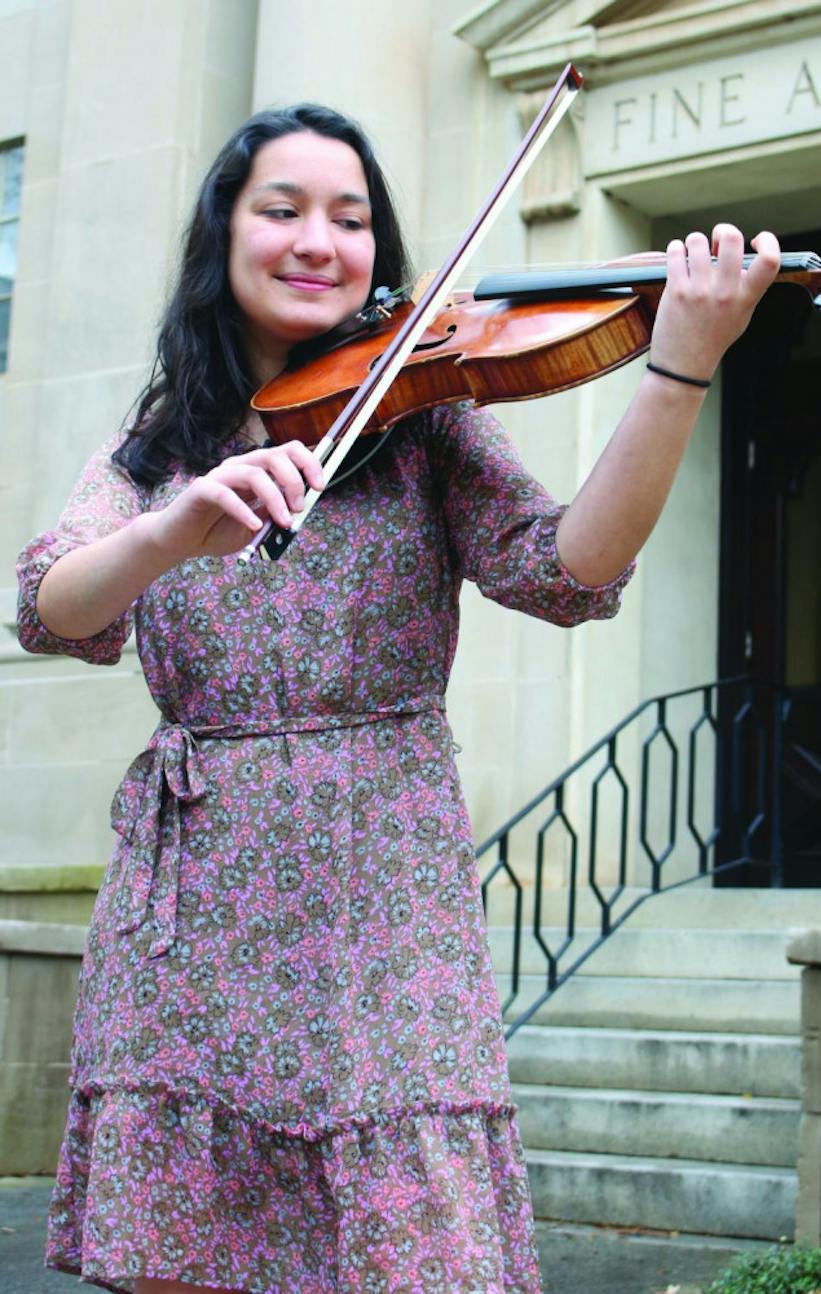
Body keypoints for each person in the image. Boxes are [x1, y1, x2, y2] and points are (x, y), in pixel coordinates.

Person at [16, 103, 780, 1294]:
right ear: (223, 237)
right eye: (283, 209)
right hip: (192, 904)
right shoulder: (152, 452)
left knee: (412, 1260)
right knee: (175, 1268)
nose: (320, 238)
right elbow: (53, 607)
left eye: (353, 217)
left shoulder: (424, 422)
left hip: (381, 898)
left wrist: (678, 365)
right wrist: (171, 530)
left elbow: (569, 569)